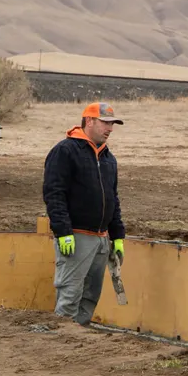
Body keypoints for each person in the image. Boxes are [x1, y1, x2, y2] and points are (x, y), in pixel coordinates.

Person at [42, 102, 126, 326]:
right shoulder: (65, 151)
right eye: (105, 123)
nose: (110, 129)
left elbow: (113, 198)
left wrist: (117, 236)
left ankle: (80, 341)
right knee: (70, 294)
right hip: (76, 237)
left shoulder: (108, 158)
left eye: (112, 124)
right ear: (89, 121)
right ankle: (60, 342)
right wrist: (63, 232)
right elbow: (54, 193)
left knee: (90, 295)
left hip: (101, 239)